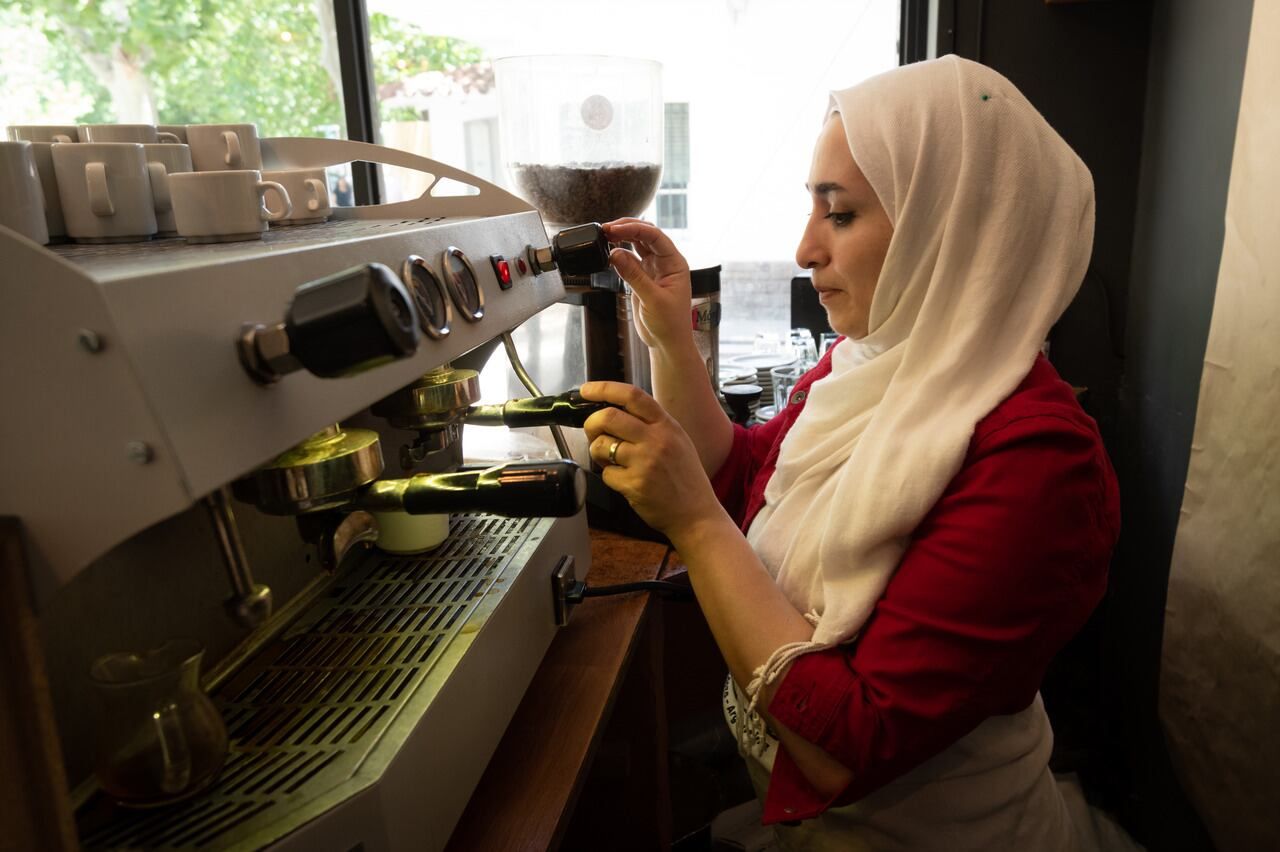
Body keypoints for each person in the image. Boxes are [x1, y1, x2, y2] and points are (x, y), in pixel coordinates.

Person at [579, 55, 1120, 851]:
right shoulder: (868, 359)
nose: (804, 250)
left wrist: (692, 524)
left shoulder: (1039, 461)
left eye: (839, 215)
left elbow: (842, 748)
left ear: (949, 224)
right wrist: (669, 333)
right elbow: (746, 480)